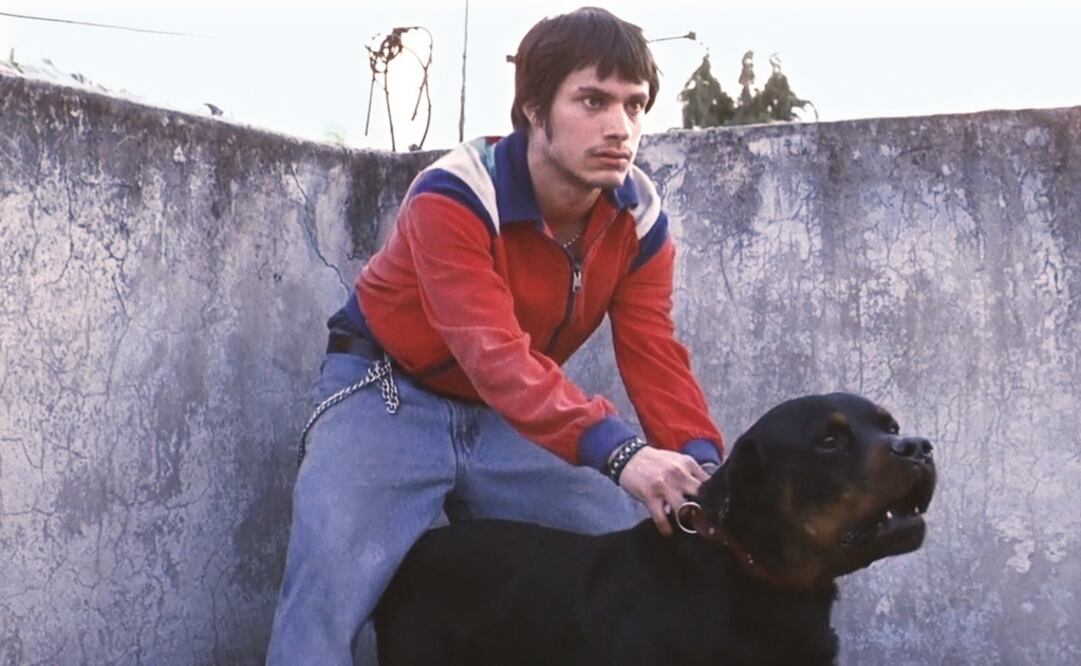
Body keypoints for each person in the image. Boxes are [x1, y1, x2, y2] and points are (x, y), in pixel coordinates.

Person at [267, 6, 725, 664]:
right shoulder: (455, 193)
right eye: (592, 101)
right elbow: (492, 353)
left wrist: (705, 467)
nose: (619, 127)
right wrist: (623, 454)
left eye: (634, 104)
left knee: (618, 555)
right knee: (327, 600)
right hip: (387, 390)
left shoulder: (639, 219)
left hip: (512, 416)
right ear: (534, 108)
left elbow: (654, 354)